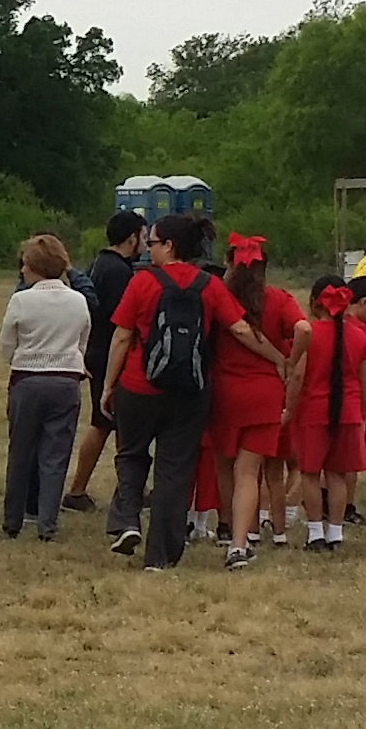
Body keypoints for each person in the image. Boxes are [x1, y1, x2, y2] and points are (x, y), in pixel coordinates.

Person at [102, 211, 275, 571]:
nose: (148, 249)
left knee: (131, 455)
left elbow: (121, 336)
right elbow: (241, 330)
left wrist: (108, 385)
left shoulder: (142, 283)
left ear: (169, 245)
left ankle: (127, 520)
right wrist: (278, 358)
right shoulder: (209, 285)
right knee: (175, 469)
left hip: (139, 385)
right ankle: (160, 556)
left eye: (152, 242)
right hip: (190, 390)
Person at [193, 236, 304, 567]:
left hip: (223, 391)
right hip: (263, 394)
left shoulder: (217, 297)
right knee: (249, 471)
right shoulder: (279, 299)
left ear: (229, 265)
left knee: (225, 467)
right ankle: (239, 546)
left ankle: (228, 528)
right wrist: (288, 362)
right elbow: (304, 329)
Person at [0, 232, 90, 540]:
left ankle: (13, 519)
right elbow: (82, 341)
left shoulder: (22, 300)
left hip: (28, 379)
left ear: (35, 267)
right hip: (65, 381)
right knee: (55, 454)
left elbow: (6, 344)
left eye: (25, 264)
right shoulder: (78, 300)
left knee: (21, 451)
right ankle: (47, 523)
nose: (22, 270)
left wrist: (20, 357)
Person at [61, 210, 146, 514]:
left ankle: (129, 487)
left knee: (115, 422)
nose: (146, 244)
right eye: (144, 236)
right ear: (131, 237)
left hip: (96, 349)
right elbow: (121, 320)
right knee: (104, 421)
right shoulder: (120, 272)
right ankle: (77, 490)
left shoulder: (99, 263)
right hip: (110, 351)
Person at [285, 282, 366, 550]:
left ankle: (315, 533)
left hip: (313, 411)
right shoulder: (359, 336)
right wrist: (363, 412)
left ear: (315, 303)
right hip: (347, 412)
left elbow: (298, 375)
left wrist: (289, 407)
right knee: (337, 474)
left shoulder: (309, 334)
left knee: (311, 473)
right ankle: (336, 532)